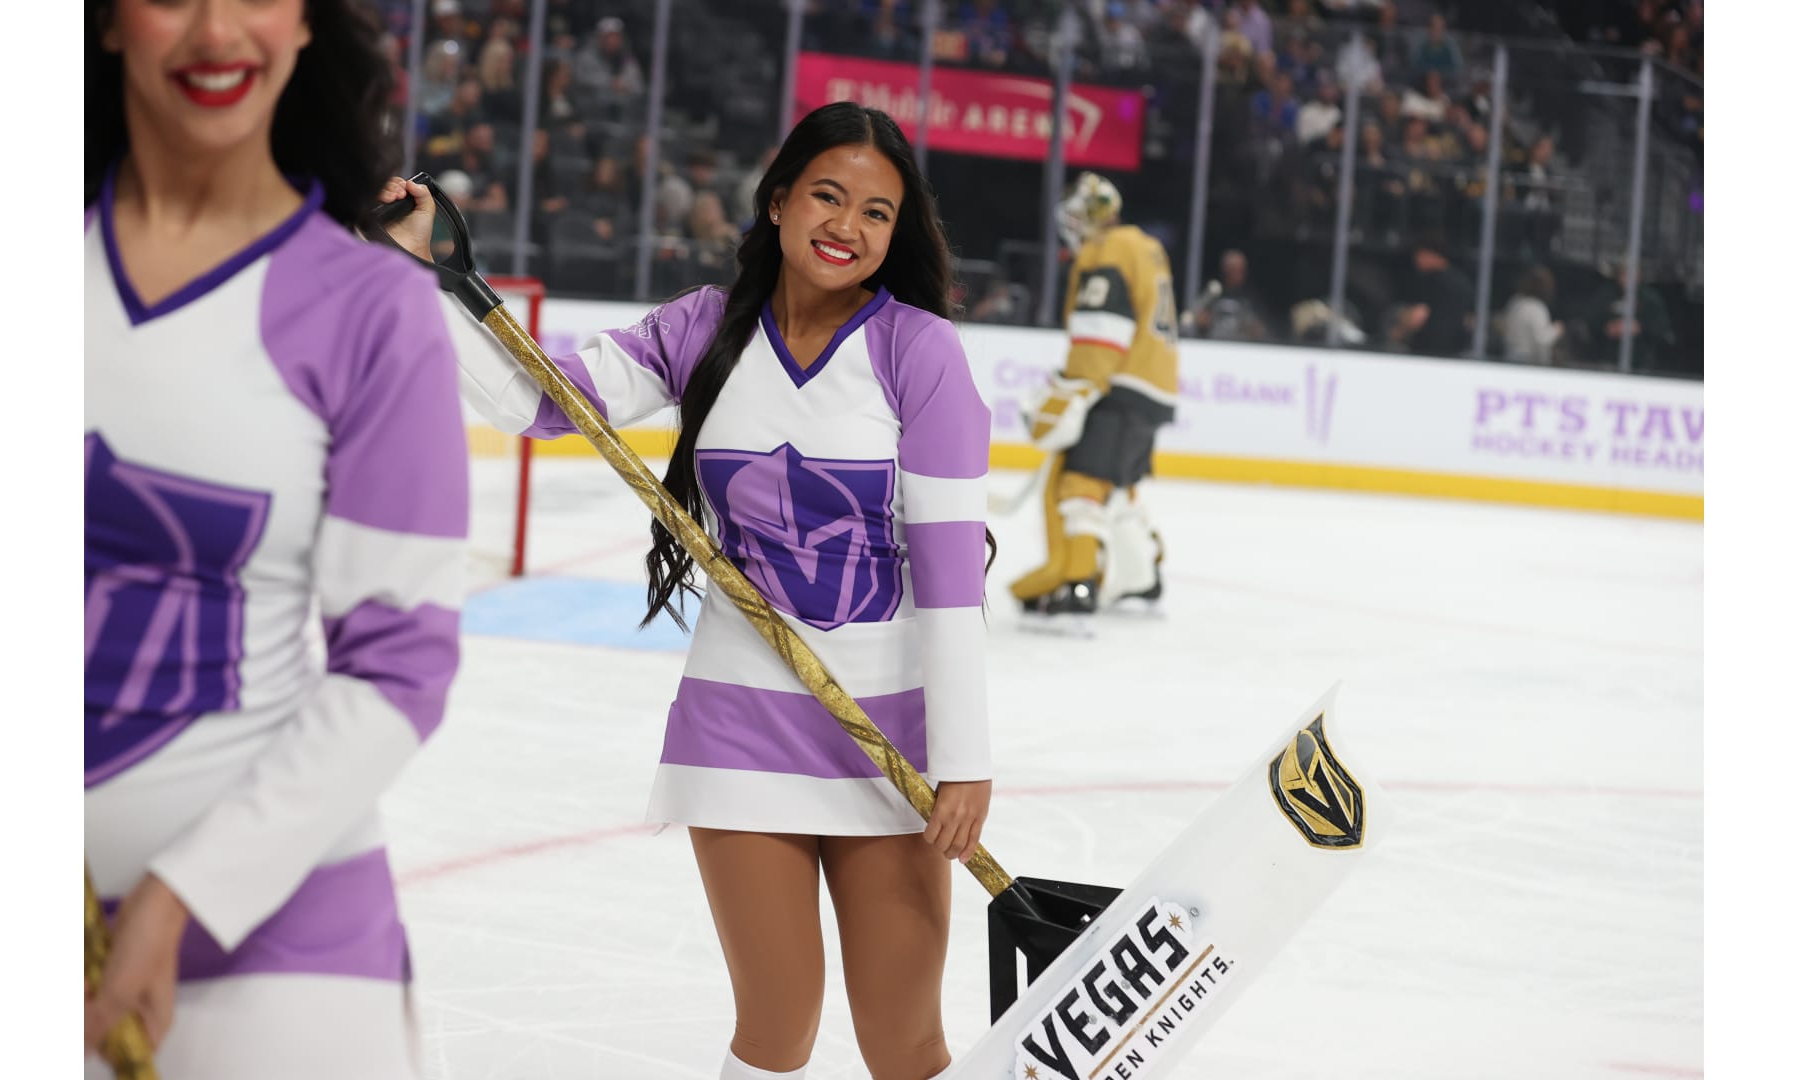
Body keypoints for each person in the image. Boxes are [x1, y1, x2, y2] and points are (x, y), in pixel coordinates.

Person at [382, 101, 991, 1080]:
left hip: (891, 734)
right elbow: (534, 399)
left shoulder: (920, 352)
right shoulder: (705, 327)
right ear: (779, 200)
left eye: (876, 212)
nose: (847, 226)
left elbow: (954, 581)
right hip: (740, 721)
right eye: (827, 196)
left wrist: (964, 760)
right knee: (777, 1028)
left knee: (904, 1042)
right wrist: (420, 273)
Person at [83, 1, 468, 1078]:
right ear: (108, 22)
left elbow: (398, 667)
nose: (218, 32)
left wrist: (177, 897)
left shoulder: (372, 308)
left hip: (287, 949)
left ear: (304, 23)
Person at [1010, 173, 1179, 618]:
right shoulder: (1144, 245)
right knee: (1116, 487)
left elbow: (1102, 330)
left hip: (1119, 383)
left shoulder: (1106, 249)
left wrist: (1078, 386)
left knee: (1081, 482)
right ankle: (1141, 575)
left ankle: (1078, 583)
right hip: (1153, 385)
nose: (1072, 224)